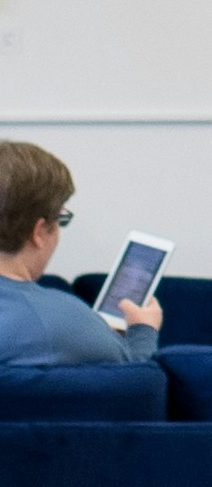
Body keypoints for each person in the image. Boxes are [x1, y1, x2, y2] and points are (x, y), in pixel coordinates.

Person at [0, 143, 160, 366]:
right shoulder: (64, 321)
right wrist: (143, 330)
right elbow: (135, 380)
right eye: (60, 219)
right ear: (38, 232)